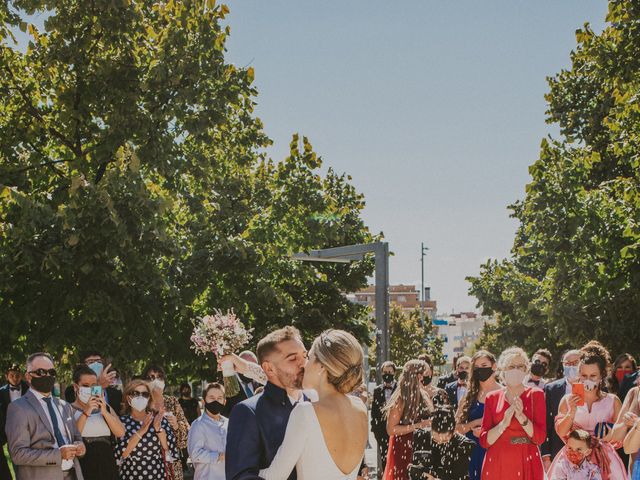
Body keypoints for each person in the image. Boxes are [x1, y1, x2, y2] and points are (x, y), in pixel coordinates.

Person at [256, 329, 368, 480]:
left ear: (322, 367)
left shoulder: (306, 412)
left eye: (309, 357)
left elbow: (274, 477)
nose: (304, 365)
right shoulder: (360, 408)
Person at [225, 326, 309, 480]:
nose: (304, 364)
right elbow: (241, 476)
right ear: (269, 369)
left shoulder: (318, 403)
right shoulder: (248, 412)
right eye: (292, 358)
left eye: (305, 355)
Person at [552, 341, 627, 480]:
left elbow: (620, 435)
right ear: (579, 375)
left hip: (605, 459)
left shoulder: (613, 401)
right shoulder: (567, 400)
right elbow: (561, 432)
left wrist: (609, 434)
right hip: (573, 458)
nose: (588, 380)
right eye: (584, 376)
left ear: (601, 376)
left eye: (593, 376)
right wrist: (571, 412)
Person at [5, 352, 86, 480]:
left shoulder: (64, 406)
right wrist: (57, 455)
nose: (47, 376)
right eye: (41, 372)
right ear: (28, 376)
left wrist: (80, 447)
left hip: (73, 475)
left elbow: (77, 437)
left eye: (51, 372)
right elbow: (18, 454)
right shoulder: (18, 408)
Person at [479, 347, 546, 479]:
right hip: (498, 462)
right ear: (502, 370)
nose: (516, 370)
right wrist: (503, 424)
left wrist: (522, 419)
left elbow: (540, 438)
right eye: (511, 366)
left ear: (526, 369)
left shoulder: (536, 394)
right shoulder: (492, 397)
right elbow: (484, 441)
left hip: (527, 459)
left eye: (520, 366)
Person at [114, 379, 179, 480]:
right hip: (130, 475)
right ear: (128, 397)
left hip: (157, 475)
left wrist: (158, 429)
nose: (140, 397)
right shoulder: (121, 422)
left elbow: (168, 449)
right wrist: (141, 431)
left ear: (149, 398)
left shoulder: (158, 419)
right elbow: (122, 454)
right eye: (135, 393)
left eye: (145, 394)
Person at [69, 365, 124, 480]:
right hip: (83, 465)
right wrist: (86, 412)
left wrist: (104, 412)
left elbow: (120, 432)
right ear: (75, 387)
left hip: (107, 464)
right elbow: (73, 435)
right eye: (85, 386)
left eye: (93, 386)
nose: (90, 389)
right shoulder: (68, 409)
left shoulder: (105, 407)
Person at [383, 359, 433, 480]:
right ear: (416, 376)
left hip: (423, 444)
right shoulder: (400, 399)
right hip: (403, 446)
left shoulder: (424, 394)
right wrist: (419, 425)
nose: (425, 378)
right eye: (423, 374)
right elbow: (391, 429)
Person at [455, 350, 500, 480]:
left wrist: (487, 431)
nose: (481, 370)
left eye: (484, 366)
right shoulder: (468, 396)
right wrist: (476, 423)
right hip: (471, 453)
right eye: (477, 367)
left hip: (495, 452)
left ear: (494, 366)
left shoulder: (504, 393)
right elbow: (457, 429)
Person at [143, 364, 190, 480]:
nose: (156, 381)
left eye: (159, 377)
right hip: (147, 464)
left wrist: (176, 426)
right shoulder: (141, 403)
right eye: (151, 377)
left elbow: (186, 438)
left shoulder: (172, 402)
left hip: (172, 465)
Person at [408, 406, 474, 480]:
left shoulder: (463, 445)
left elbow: (459, 477)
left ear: (453, 432)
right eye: (435, 440)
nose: (439, 443)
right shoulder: (421, 436)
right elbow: (416, 467)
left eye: (444, 441)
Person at [543, 349, 582, 470]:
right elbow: (546, 423)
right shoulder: (551, 388)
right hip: (558, 450)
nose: (571, 366)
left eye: (575, 362)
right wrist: (546, 456)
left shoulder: (594, 388)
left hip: (586, 451)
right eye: (567, 363)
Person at [188, 382, 228, 480]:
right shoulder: (198, 425)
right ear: (203, 401)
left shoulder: (229, 423)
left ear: (224, 402)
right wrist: (219, 456)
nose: (216, 401)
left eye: (219, 398)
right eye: (212, 398)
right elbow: (195, 454)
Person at [63, 351, 122, 415]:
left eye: (99, 362)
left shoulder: (116, 393)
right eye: (91, 362)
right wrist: (99, 386)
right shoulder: (72, 390)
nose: (96, 364)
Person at [1, 363, 29, 480]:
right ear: (7, 376)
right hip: (9, 429)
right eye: (11, 375)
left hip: (28, 427)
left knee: (28, 458)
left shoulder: (30, 390)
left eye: (17, 375)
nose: (14, 378)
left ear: (21, 376)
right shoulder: (1, 392)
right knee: (14, 457)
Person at [371, 361, 397, 473]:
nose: (387, 374)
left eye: (390, 372)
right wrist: (377, 433)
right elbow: (374, 414)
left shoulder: (400, 388)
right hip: (382, 434)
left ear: (394, 373)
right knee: (385, 462)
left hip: (397, 432)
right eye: (385, 372)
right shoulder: (377, 391)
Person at [222, 351, 263, 417]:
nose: (251, 371)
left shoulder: (261, 383)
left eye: (253, 366)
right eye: (248, 366)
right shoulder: (227, 384)